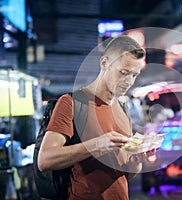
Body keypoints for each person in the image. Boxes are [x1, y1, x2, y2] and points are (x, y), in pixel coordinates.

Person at [37, 35, 154, 200]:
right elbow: (45, 160)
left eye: (134, 75)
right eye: (124, 73)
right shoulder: (72, 103)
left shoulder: (123, 109)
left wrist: (136, 160)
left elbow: (127, 175)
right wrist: (97, 145)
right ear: (104, 63)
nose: (129, 81)